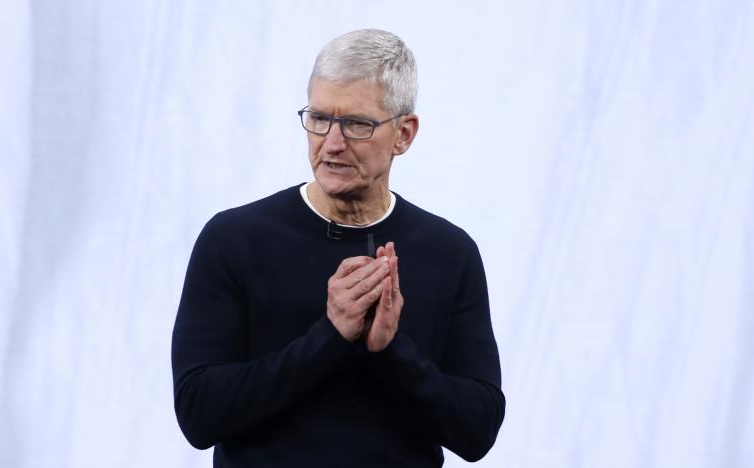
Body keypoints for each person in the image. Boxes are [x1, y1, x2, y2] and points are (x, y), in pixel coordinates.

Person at [171, 29, 505, 467]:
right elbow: (198, 414)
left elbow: (477, 430)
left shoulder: (450, 252)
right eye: (320, 118)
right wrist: (329, 337)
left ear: (404, 134)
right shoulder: (234, 239)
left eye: (357, 124)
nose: (331, 142)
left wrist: (390, 350)